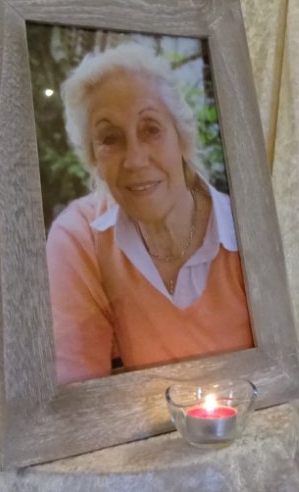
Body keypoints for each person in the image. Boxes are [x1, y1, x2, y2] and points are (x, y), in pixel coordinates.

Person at [45, 42, 253, 384]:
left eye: (151, 129)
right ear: (93, 158)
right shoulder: (80, 237)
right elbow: (75, 385)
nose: (135, 159)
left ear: (182, 139)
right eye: (110, 138)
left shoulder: (247, 226)